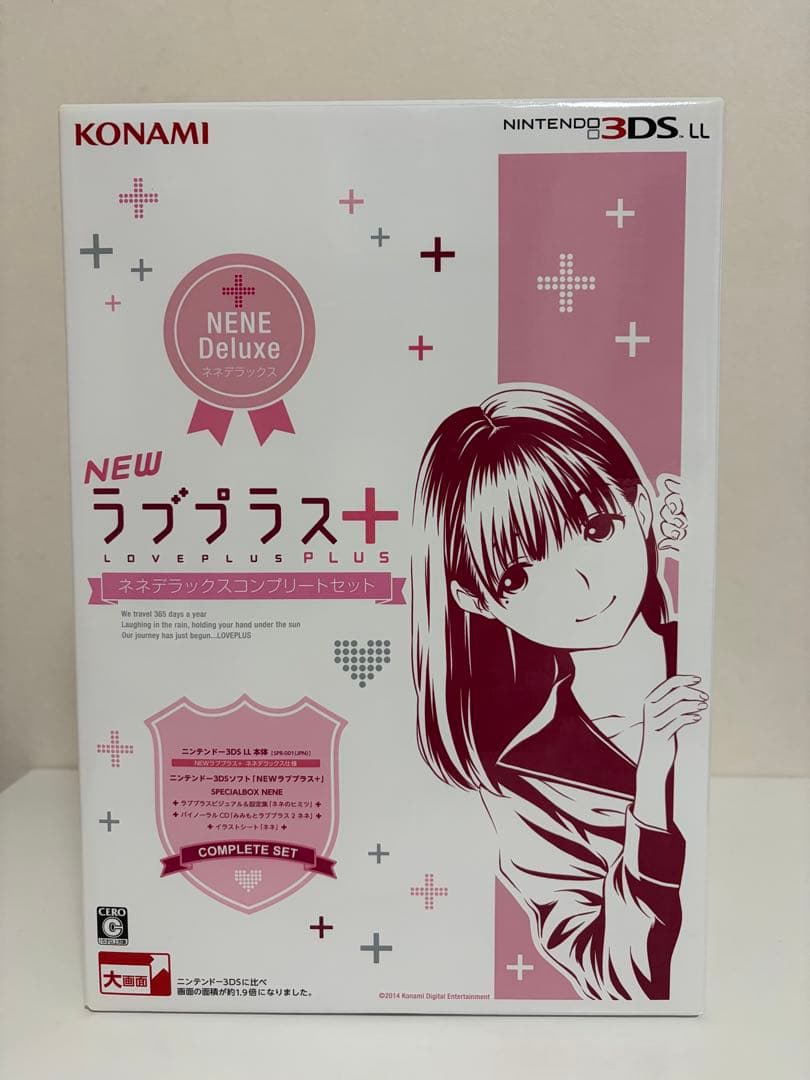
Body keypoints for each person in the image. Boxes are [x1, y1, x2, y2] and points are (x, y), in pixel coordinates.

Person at [410, 385, 707, 1000]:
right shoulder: (525, 777)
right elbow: (625, 982)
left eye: (596, 528)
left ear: (642, 508)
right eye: (518, 575)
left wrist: (712, 571)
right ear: (477, 601)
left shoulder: (713, 646)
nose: (580, 584)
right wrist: (652, 791)